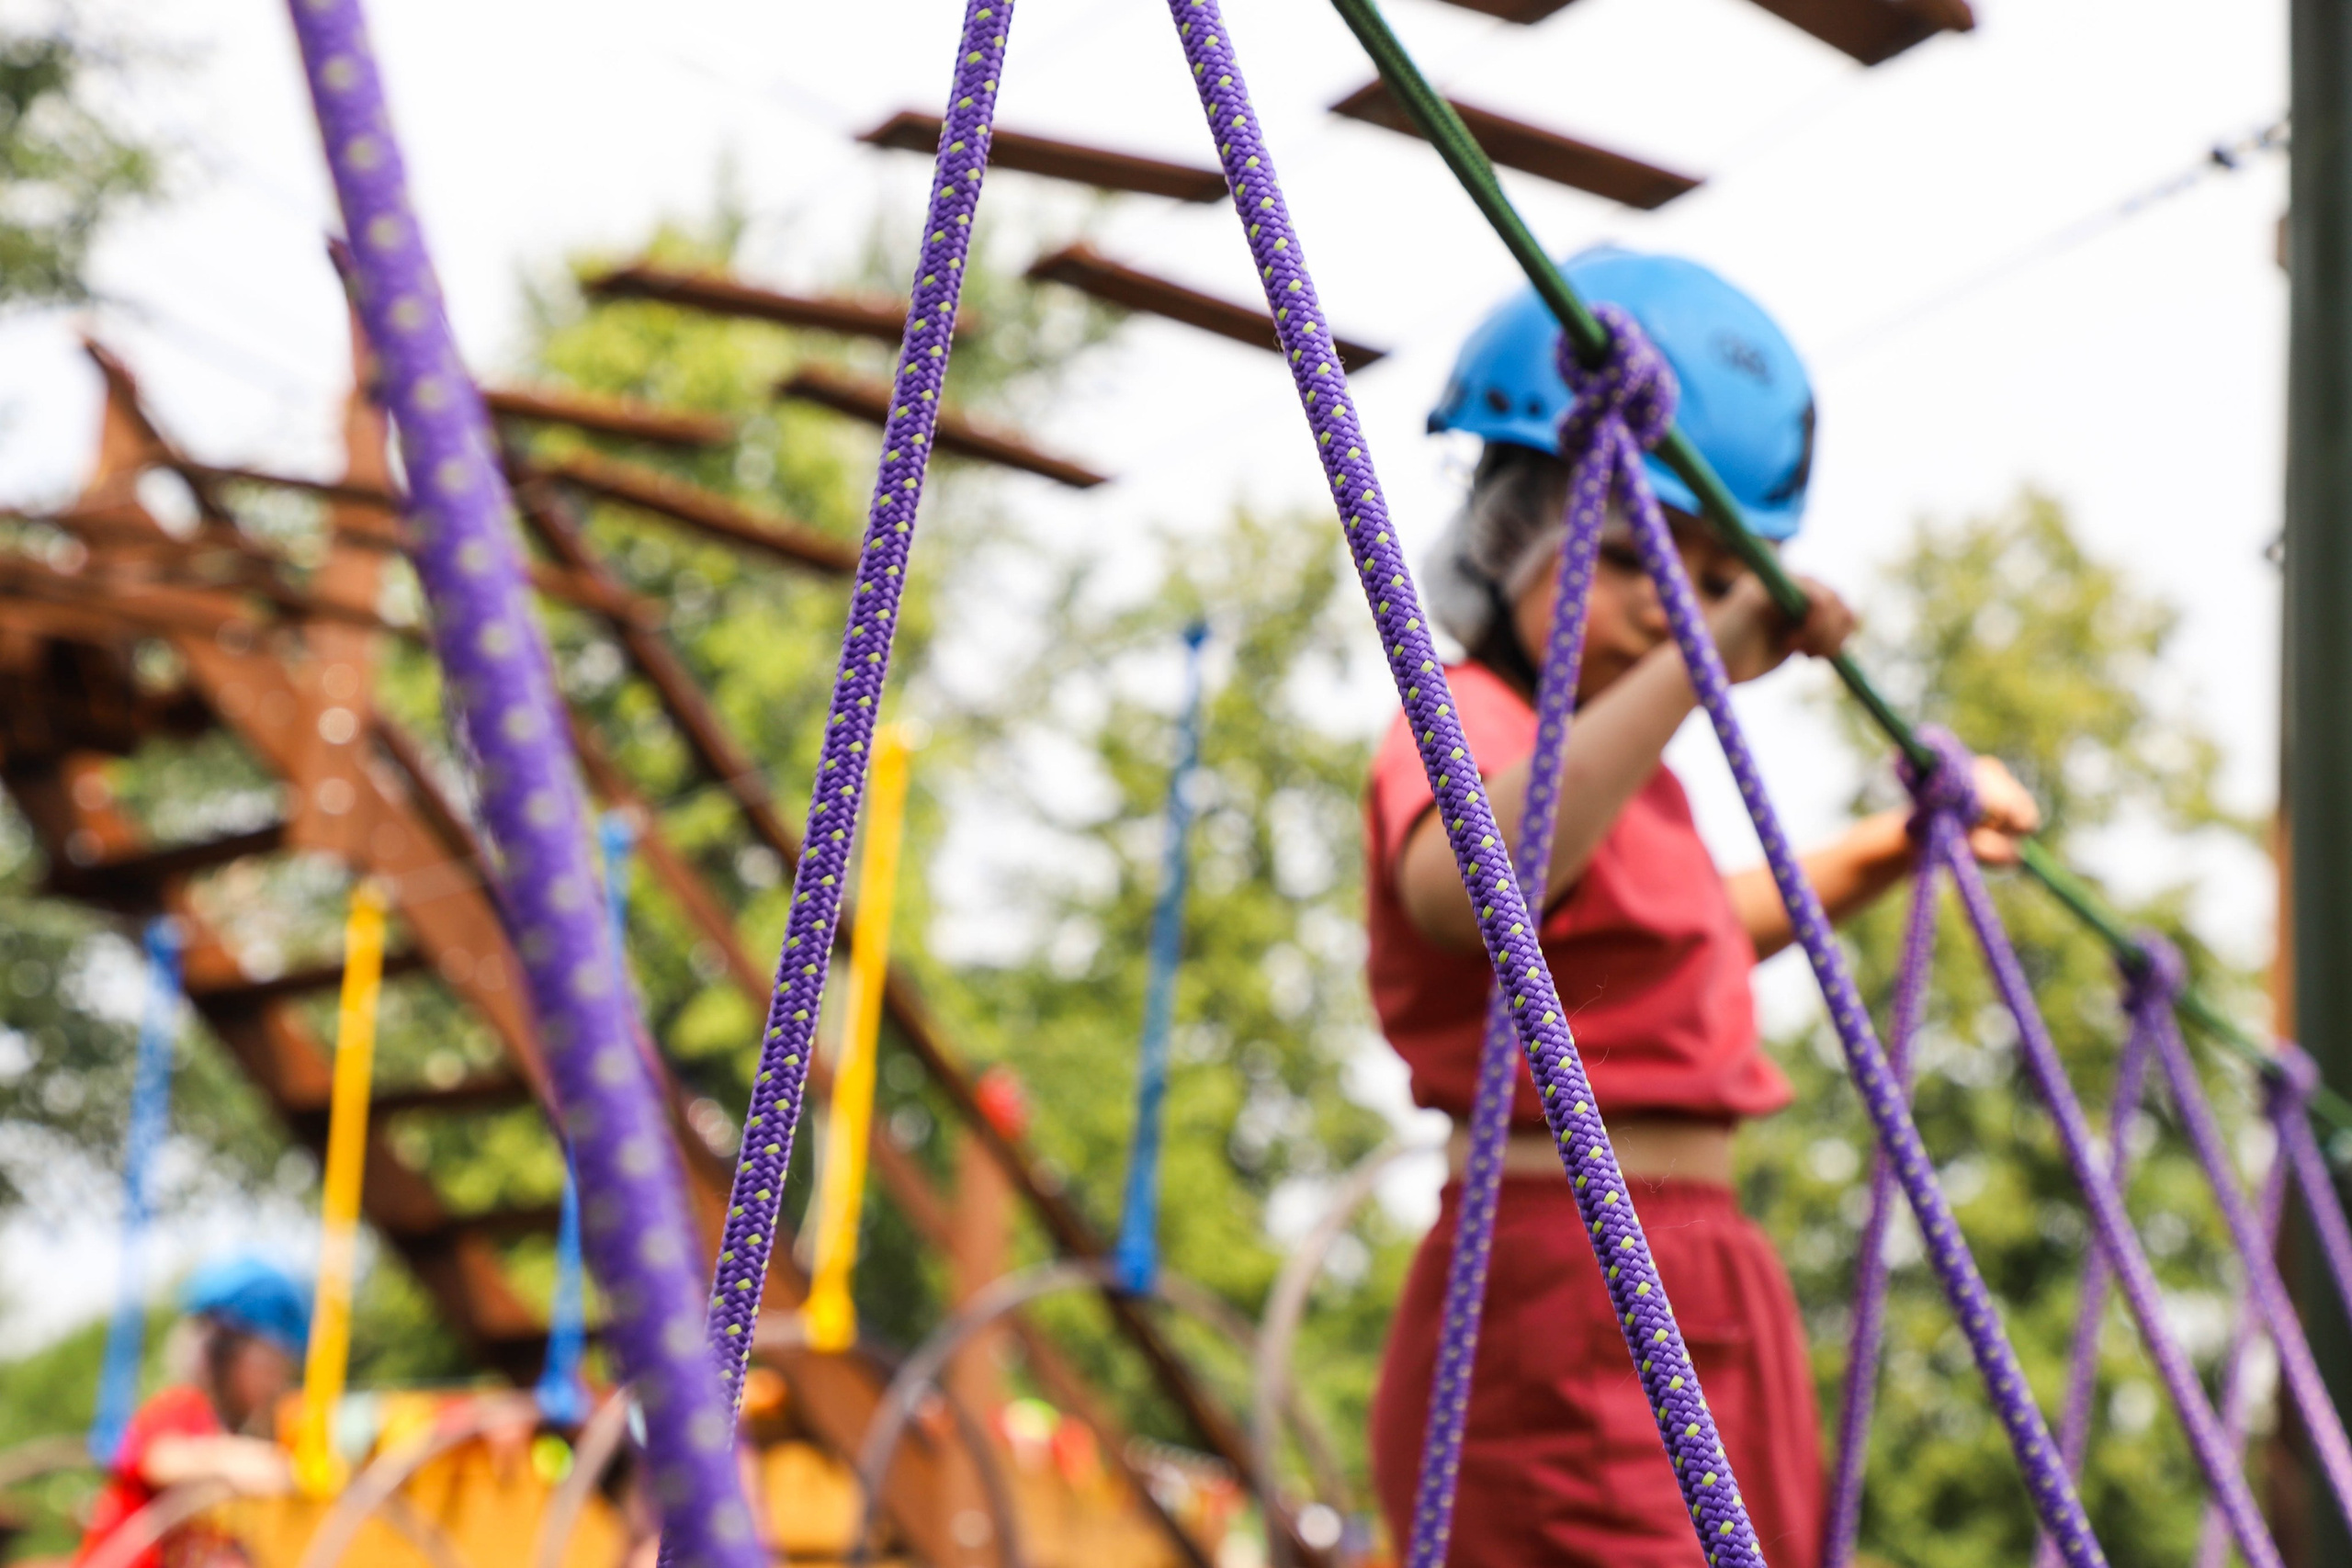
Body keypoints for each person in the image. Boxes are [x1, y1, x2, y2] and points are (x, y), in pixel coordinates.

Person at [1364, 249, 2039, 1568]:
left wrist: (1892, 845)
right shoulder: (1467, 716)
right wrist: (1694, 659)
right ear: (1506, 528)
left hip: (1710, 1271)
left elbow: (1689, 939)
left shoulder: (1633, 778)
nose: (1658, 606)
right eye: (1630, 560)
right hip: (1564, 1271)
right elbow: (1459, 893)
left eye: (1701, 575)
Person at [75, 1257, 306, 1568]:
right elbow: (163, 1458)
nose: (279, 1380)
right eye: (273, 1361)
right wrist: (270, 1466)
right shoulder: (181, 1407)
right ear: (226, 1354)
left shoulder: (230, 1429)